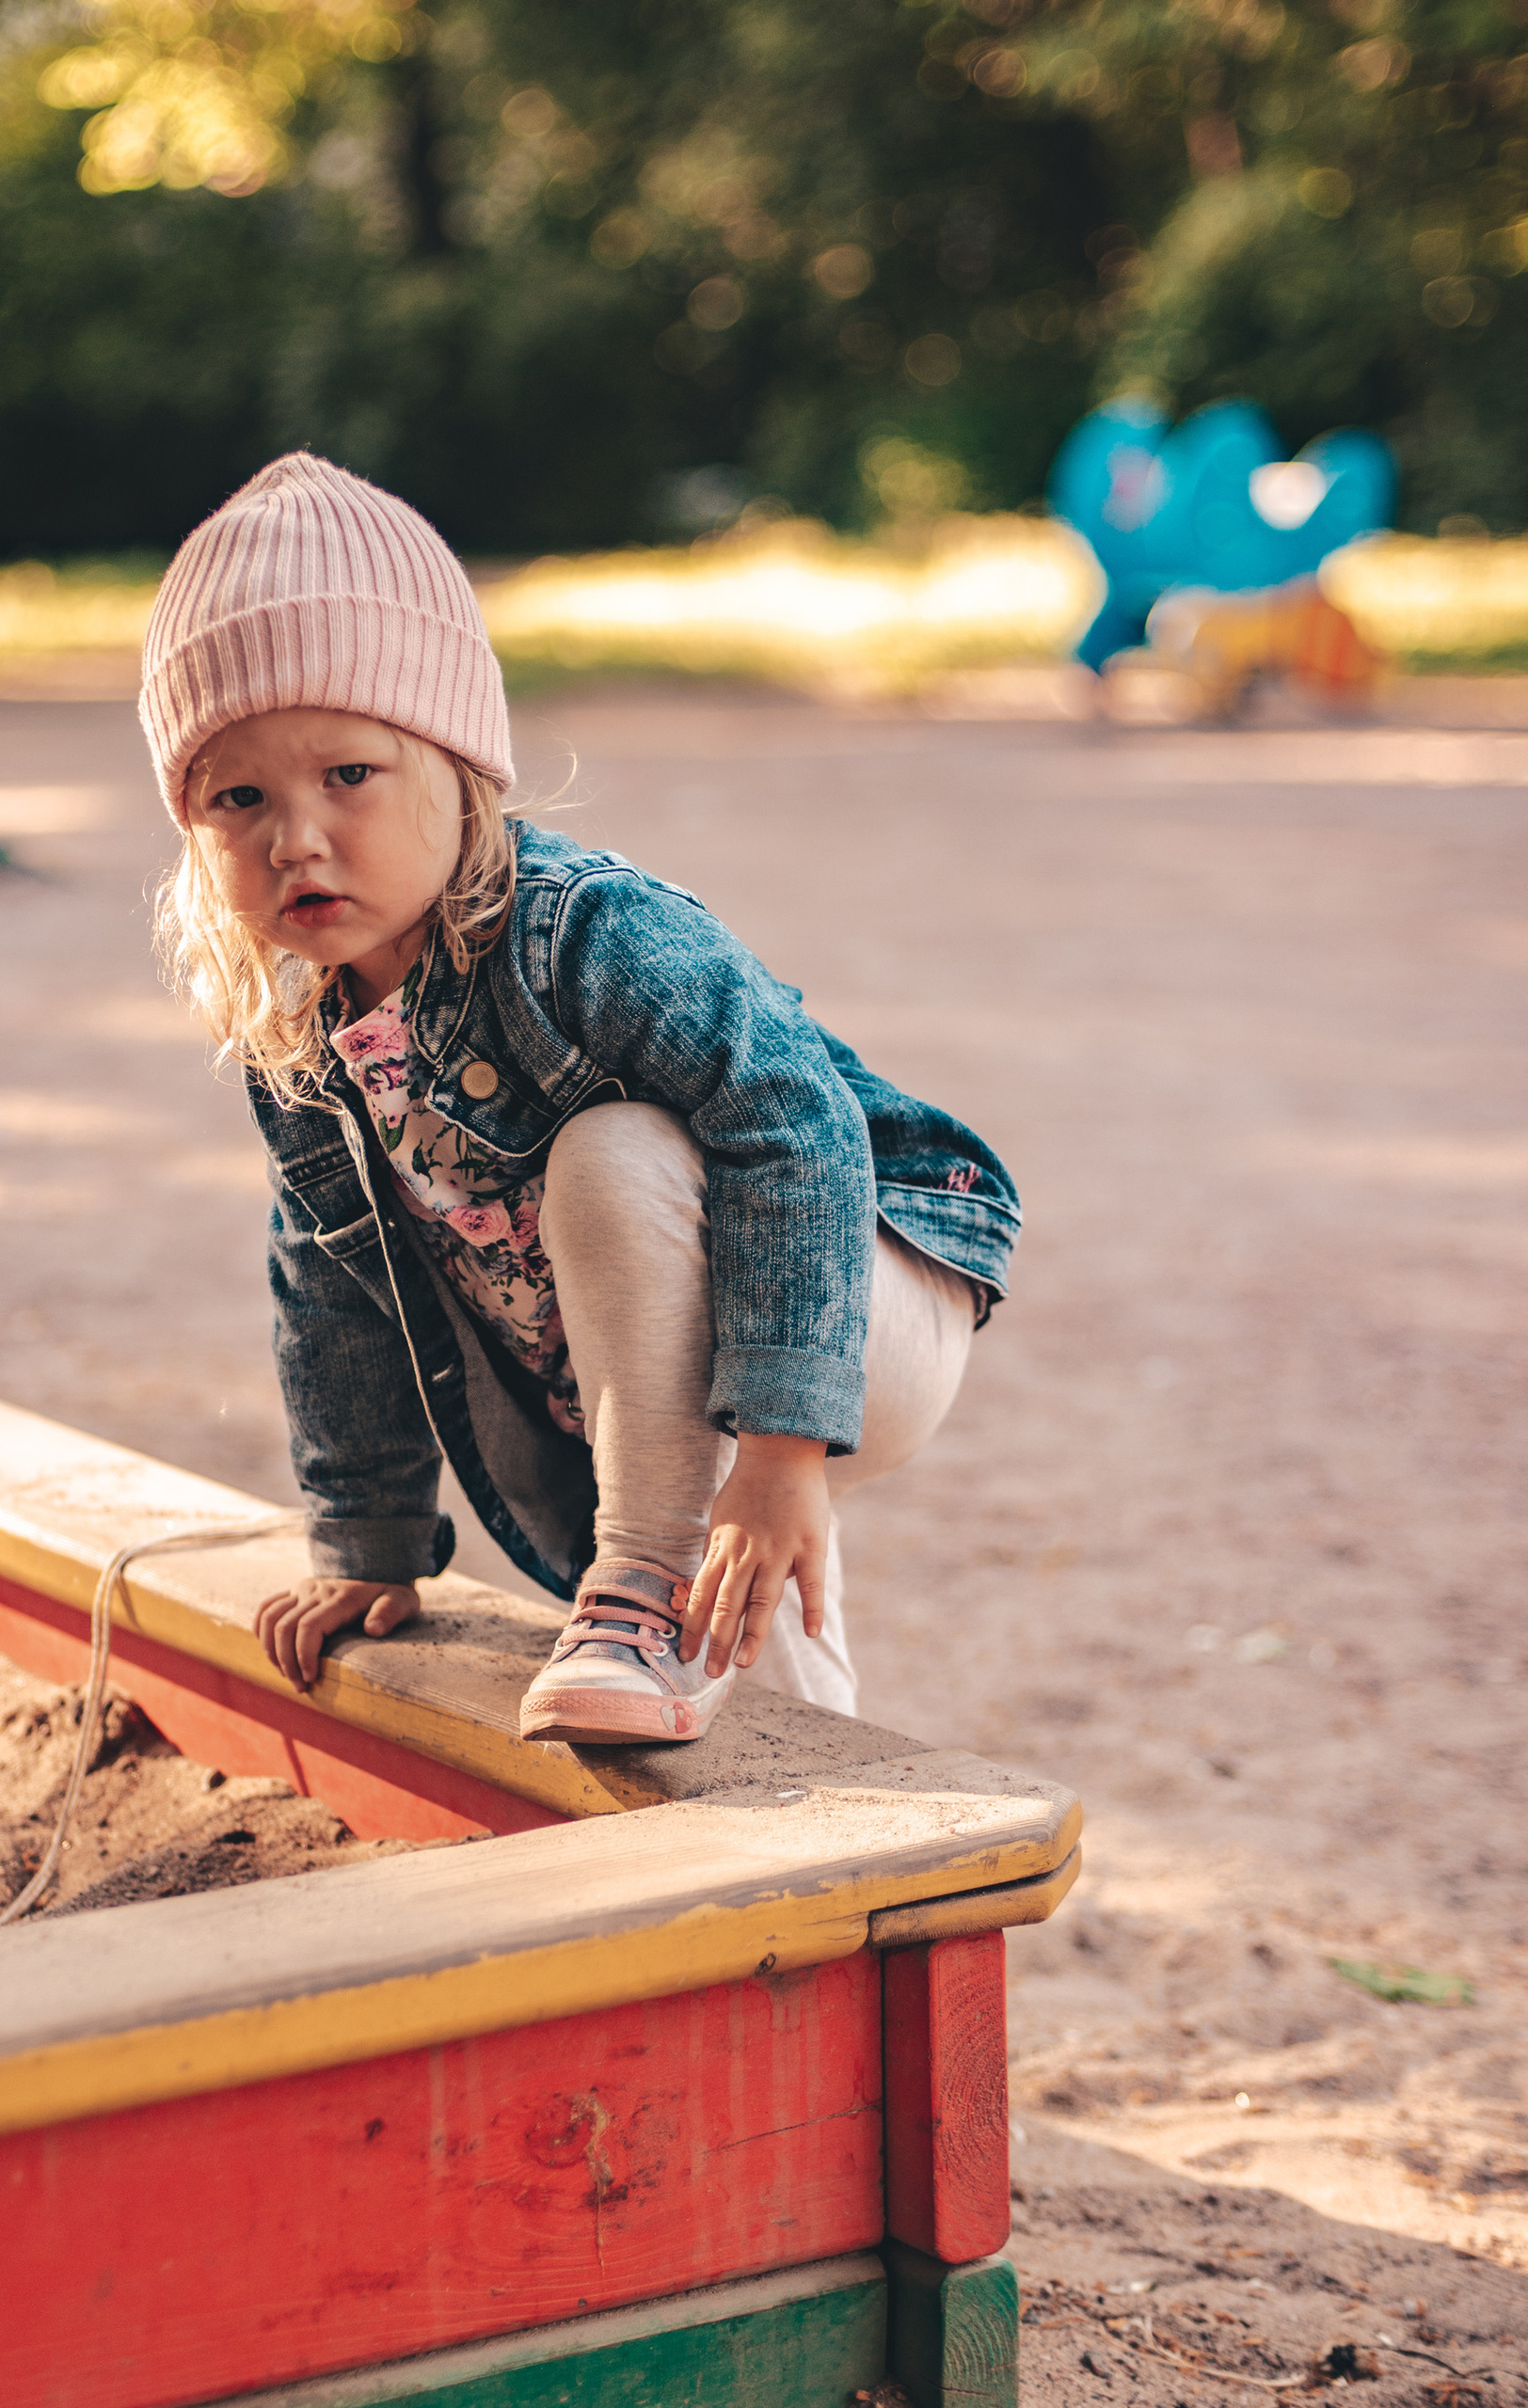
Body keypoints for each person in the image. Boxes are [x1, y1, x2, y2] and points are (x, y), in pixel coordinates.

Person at [141, 453, 1019, 1741]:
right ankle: (791, 1790)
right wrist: (367, 1543)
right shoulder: (302, 1036)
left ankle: (646, 1581)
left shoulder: (585, 933)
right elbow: (334, 1289)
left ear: (457, 767)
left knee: (608, 1150)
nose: (297, 837)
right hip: (677, 1385)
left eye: (350, 776)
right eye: (240, 797)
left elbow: (794, 1120)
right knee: (730, 1663)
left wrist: (782, 1454)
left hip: (859, 1295)